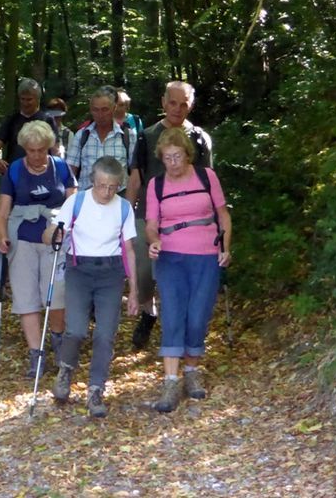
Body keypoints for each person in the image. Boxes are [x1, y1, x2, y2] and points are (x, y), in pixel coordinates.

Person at [145, 127, 231, 413]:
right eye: (167, 158)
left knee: (198, 316)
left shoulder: (207, 177)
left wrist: (225, 247)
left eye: (177, 157)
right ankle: (171, 380)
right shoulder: (156, 186)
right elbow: (150, 223)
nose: (173, 163)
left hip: (206, 255)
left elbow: (223, 216)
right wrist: (154, 240)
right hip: (170, 256)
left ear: (187, 155)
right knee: (172, 313)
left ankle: (191, 371)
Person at [45, 156, 139, 418]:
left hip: (111, 273)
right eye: (101, 185)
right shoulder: (75, 201)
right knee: (75, 330)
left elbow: (129, 250)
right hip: (79, 269)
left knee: (105, 335)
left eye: (112, 186)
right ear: (92, 181)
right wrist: (55, 234)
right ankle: (66, 371)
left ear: (119, 185)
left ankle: (96, 389)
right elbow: (50, 233)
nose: (106, 192)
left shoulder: (123, 208)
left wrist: (134, 290)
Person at [126, 81, 213, 350]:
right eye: (173, 102)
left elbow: (208, 182)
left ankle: (177, 331)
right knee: (142, 275)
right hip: (147, 215)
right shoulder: (147, 136)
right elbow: (135, 178)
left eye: (184, 103)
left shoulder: (199, 138)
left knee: (177, 277)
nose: (178, 108)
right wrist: (125, 217)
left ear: (191, 105)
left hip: (187, 222)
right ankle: (149, 313)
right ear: (163, 103)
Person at [0, 120, 77, 379]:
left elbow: (74, 203)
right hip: (23, 241)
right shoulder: (15, 171)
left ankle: (58, 342)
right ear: (24, 149)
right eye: (32, 150)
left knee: (57, 296)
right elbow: (2, 213)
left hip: (55, 241)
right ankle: (36, 354)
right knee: (26, 297)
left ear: (50, 147)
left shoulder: (61, 168)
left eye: (42, 149)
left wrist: (61, 226)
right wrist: (2, 237)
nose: (38, 155)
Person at [66, 86, 132, 193]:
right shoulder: (82, 135)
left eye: (105, 109)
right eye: (95, 110)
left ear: (114, 108)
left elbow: (135, 173)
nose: (100, 115)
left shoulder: (127, 136)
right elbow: (70, 172)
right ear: (91, 110)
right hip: (87, 197)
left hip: (118, 196)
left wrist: (129, 202)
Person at [0, 78, 59, 175]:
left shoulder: (47, 120)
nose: (25, 103)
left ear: (37, 99)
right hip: (15, 174)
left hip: (42, 175)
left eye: (29, 99)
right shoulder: (12, 120)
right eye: (23, 99)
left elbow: (55, 149)